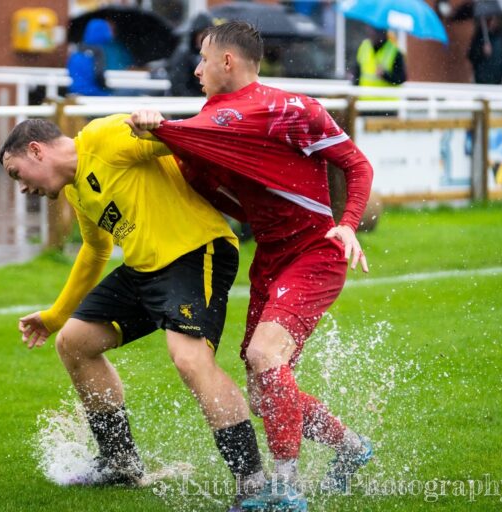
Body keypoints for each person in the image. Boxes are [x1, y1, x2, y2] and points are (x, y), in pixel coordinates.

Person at [128, 21, 375, 511]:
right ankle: (351, 448)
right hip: (270, 259)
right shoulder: (209, 119)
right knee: (265, 395)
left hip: (316, 252)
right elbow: (224, 191)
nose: (195, 69)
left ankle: (285, 491)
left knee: (266, 358)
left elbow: (358, 165)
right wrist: (158, 131)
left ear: (227, 61)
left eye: (201, 58)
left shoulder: (290, 108)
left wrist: (347, 223)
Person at [0, 116, 267, 497]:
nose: (23, 187)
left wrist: (157, 123)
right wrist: (56, 316)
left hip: (196, 252)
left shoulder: (103, 138)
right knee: (74, 342)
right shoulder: (77, 189)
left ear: (36, 150)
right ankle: (120, 462)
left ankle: (254, 483)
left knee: (190, 360)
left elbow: (183, 138)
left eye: (17, 174)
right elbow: (96, 250)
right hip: (145, 269)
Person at [167, 12, 214, 96]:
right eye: (201, 34)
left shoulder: (214, 54)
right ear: (195, 35)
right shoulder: (183, 54)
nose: (204, 38)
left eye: (207, 34)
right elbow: (178, 85)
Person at [352, 26, 406, 96]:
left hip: (386, 103)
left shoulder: (394, 52)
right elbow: (357, 74)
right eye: (370, 30)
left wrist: (385, 75)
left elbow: (401, 79)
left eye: (375, 31)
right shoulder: (364, 47)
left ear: (383, 33)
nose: (371, 34)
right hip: (365, 102)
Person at [67, 18, 113, 96]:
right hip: (93, 93)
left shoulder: (77, 50)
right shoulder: (97, 52)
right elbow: (99, 76)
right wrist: (108, 90)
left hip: (75, 92)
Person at [468, 15, 502, 85]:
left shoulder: (500, 36)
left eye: (493, 19)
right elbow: (471, 55)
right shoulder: (479, 37)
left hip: (497, 79)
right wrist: (481, 51)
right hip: (482, 79)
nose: (491, 22)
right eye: (489, 20)